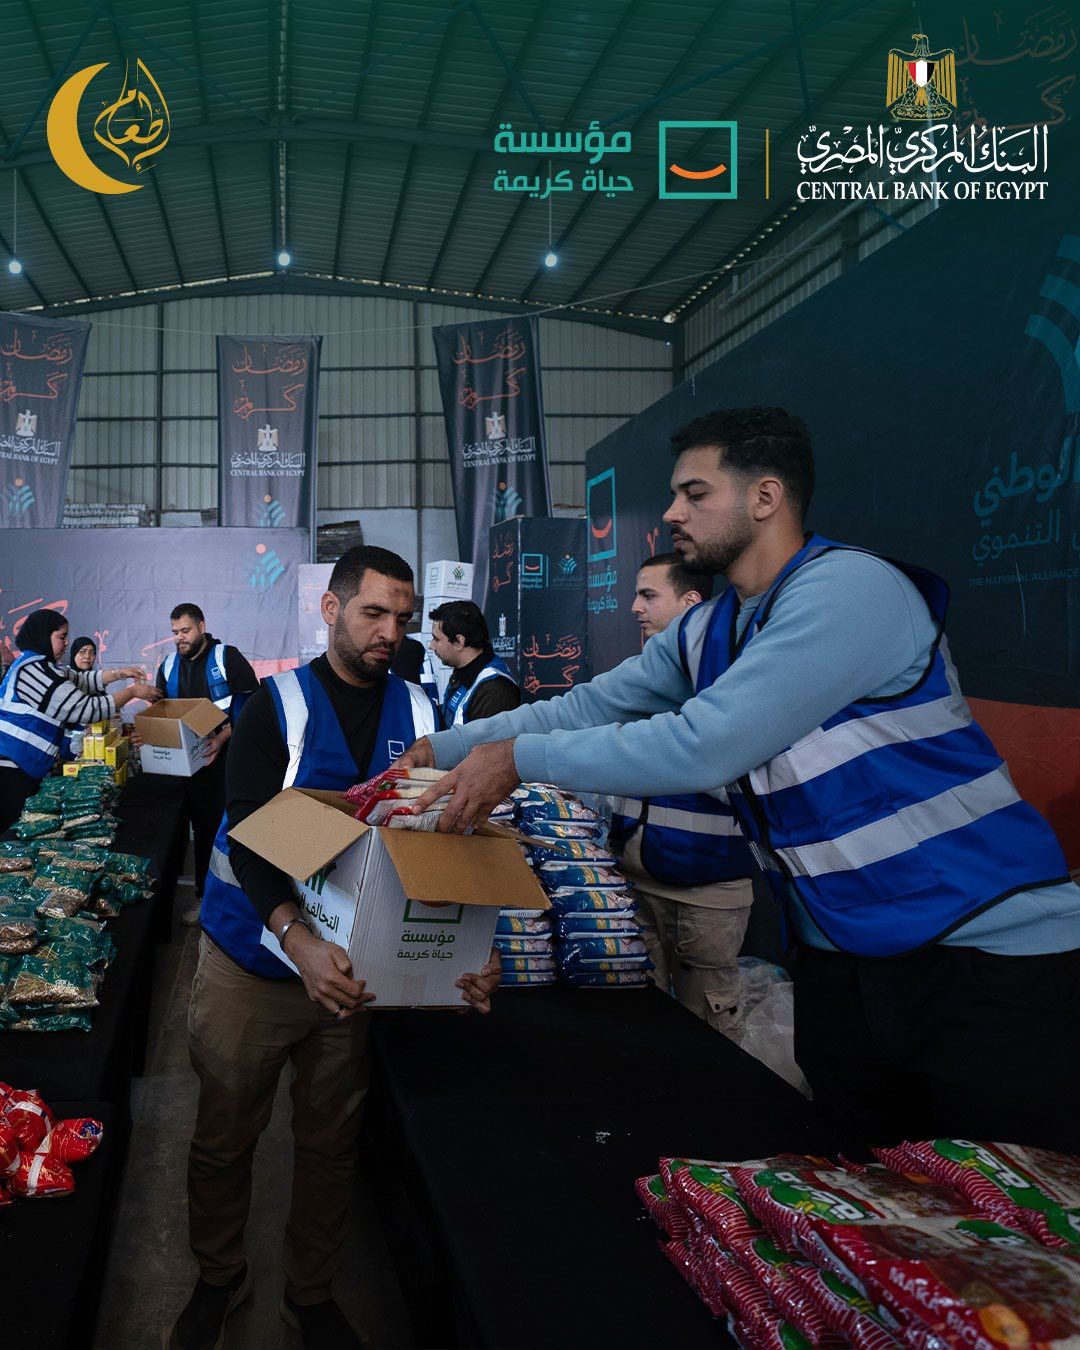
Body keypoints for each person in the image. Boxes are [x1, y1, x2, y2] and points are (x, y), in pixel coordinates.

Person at [400, 407, 1080, 1155]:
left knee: (1010, 1198)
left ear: (765, 497)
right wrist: (443, 747)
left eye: (694, 494)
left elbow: (705, 745)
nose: (671, 513)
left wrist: (516, 760)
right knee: (874, 1191)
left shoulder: (850, 589)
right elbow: (588, 705)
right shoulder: (709, 627)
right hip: (844, 953)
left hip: (980, 950)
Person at [165, 546, 500, 1350]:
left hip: (351, 977)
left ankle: (309, 1293)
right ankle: (219, 1277)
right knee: (224, 1136)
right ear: (331, 609)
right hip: (253, 964)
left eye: (403, 619)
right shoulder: (275, 706)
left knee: (329, 1146)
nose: (390, 632)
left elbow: (445, 843)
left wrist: (475, 949)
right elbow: (248, 836)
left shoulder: (423, 715)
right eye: (373, 613)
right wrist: (296, 939)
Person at [609, 553, 756, 1040]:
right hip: (634, 884)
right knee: (642, 1031)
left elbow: (744, 778)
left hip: (706, 896)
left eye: (648, 595)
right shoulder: (638, 676)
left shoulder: (733, 684)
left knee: (708, 1034)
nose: (635, 607)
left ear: (691, 603)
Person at [0, 609, 159, 831]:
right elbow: (86, 709)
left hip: (24, 768)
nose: (66, 643)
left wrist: (121, 673)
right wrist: (132, 692)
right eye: (61, 637)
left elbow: (81, 679)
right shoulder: (33, 671)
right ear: (43, 636)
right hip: (11, 771)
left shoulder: (41, 666)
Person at [152, 604, 259, 927]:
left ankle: (229, 902)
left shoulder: (227, 658)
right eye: (174, 633)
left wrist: (223, 737)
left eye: (185, 631)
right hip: (184, 771)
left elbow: (252, 708)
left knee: (222, 833)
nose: (179, 638)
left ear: (201, 626)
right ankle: (200, 898)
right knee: (193, 835)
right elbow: (161, 713)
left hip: (224, 765)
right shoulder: (168, 665)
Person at [427, 600, 520, 727]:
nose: (431, 646)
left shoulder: (495, 690)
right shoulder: (465, 672)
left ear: (459, 642)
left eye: (436, 639)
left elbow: (486, 739)